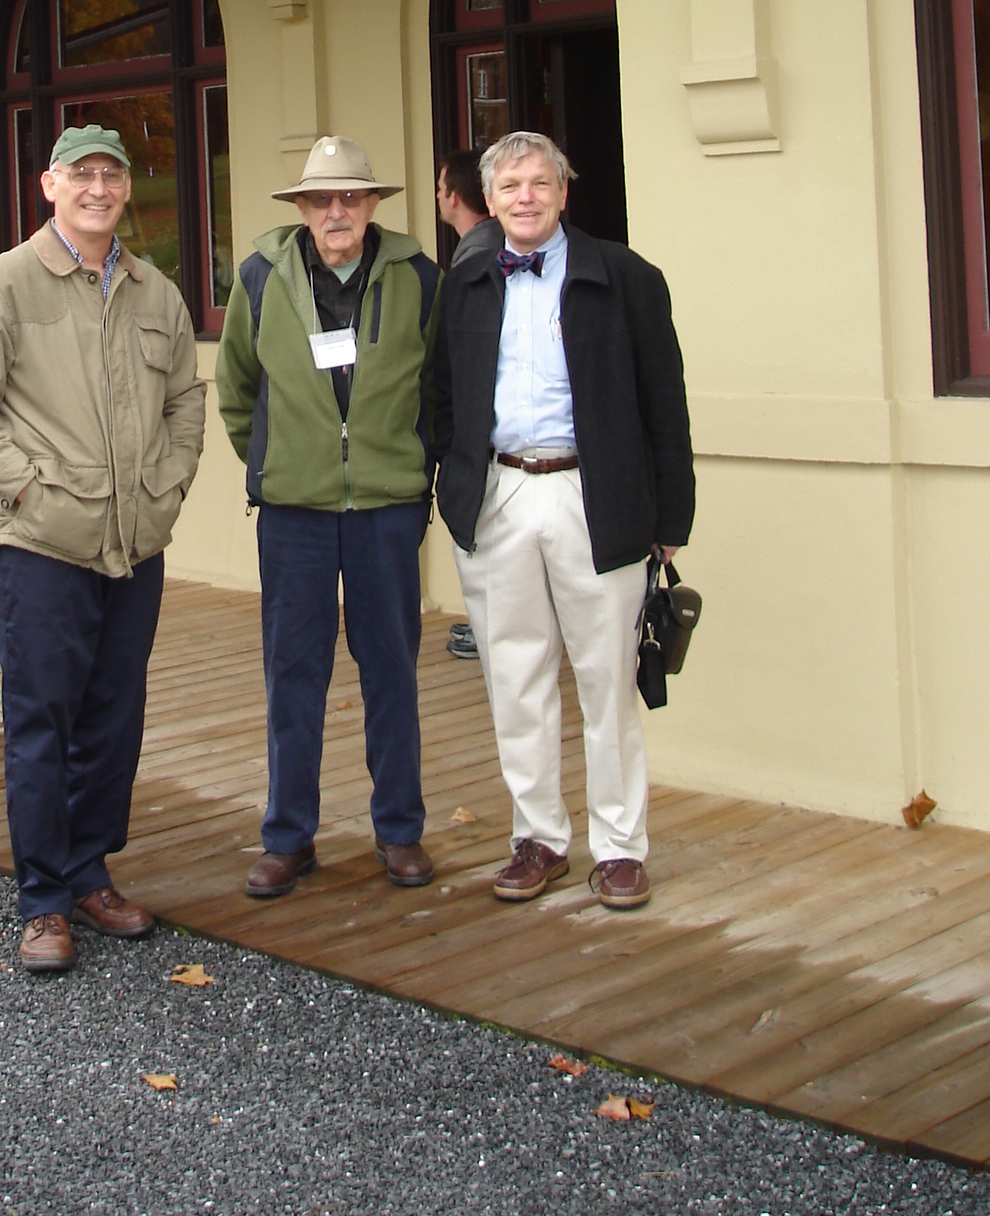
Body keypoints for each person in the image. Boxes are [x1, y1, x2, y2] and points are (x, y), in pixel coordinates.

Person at [0, 124, 205, 974]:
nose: (97, 188)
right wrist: (27, 491)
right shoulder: (5, 287)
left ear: (126, 190)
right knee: (42, 722)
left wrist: (167, 487)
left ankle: (91, 871)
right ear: (49, 185)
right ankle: (43, 901)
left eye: (111, 176)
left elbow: (185, 405)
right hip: (47, 548)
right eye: (80, 175)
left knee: (113, 721)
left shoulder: (156, 294)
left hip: (134, 546)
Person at [433, 131, 693, 911]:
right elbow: (439, 396)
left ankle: (619, 847)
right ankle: (538, 837)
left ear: (563, 191)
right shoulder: (467, 277)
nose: (524, 197)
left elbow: (665, 405)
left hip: (594, 495)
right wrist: (452, 490)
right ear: (492, 197)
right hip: (500, 494)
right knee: (514, 675)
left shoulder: (627, 278)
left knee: (607, 677)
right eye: (509, 185)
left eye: (539, 183)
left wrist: (670, 514)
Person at [216, 135, 441, 900]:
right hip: (294, 513)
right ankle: (288, 837)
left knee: (391, 673)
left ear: (374, 203)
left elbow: (438, 390)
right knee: (293, 675)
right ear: (302, 210)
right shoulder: (259, 276)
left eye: (350, 196)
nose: (336, 211)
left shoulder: (418, 277)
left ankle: (400, 830)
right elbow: (238, 390)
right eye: (321, 199)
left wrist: (410, 471)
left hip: (385, 510)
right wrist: (280, 463)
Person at [435, 149, 501, 660]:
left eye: (440, 188)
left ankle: (489, 630)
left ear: (454, 196)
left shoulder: (479, 258)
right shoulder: (478, 250)